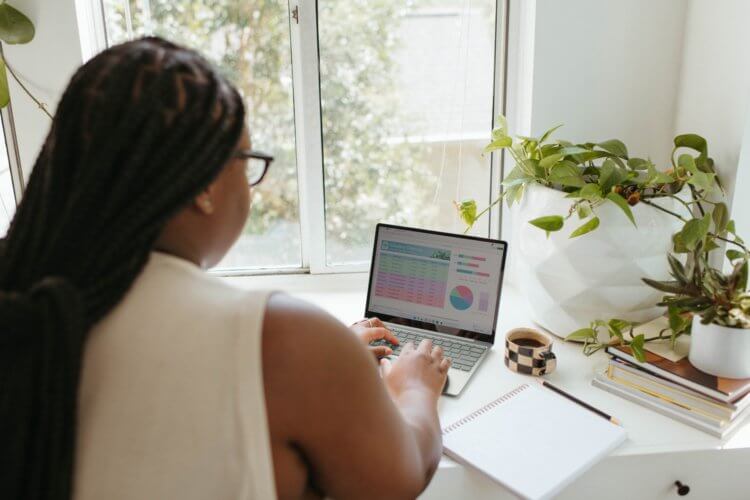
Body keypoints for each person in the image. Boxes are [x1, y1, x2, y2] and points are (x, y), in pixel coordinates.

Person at [0, 37, 449, 500]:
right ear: (205, 186)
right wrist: (413, 388)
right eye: (248, 161)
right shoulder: (290, 343)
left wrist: (329, 366)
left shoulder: (26, 294)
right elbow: (400, 476)